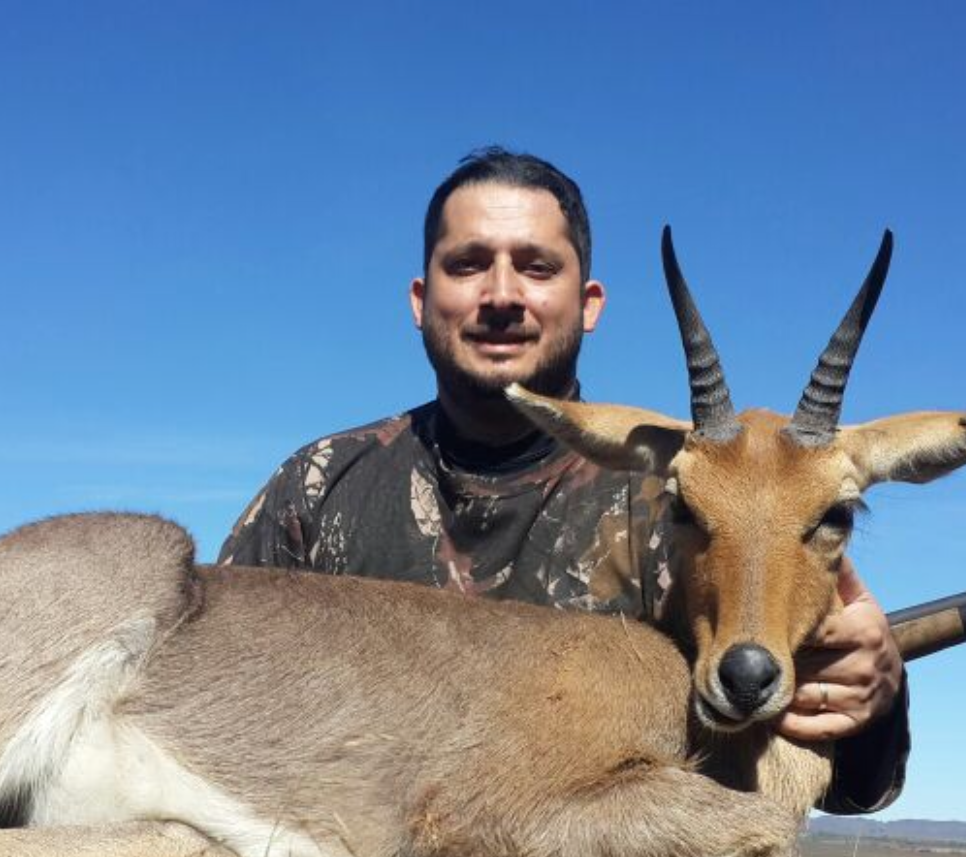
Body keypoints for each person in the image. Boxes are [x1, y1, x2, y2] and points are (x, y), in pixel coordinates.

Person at [221, 147, 909, 815]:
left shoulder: (686, 500)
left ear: (588, 303)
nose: (499, 295)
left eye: (535, 266)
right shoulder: (321, 484)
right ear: (420, 297)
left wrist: (871, 695)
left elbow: (838, 779)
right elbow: (210, 675)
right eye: (466, 265)